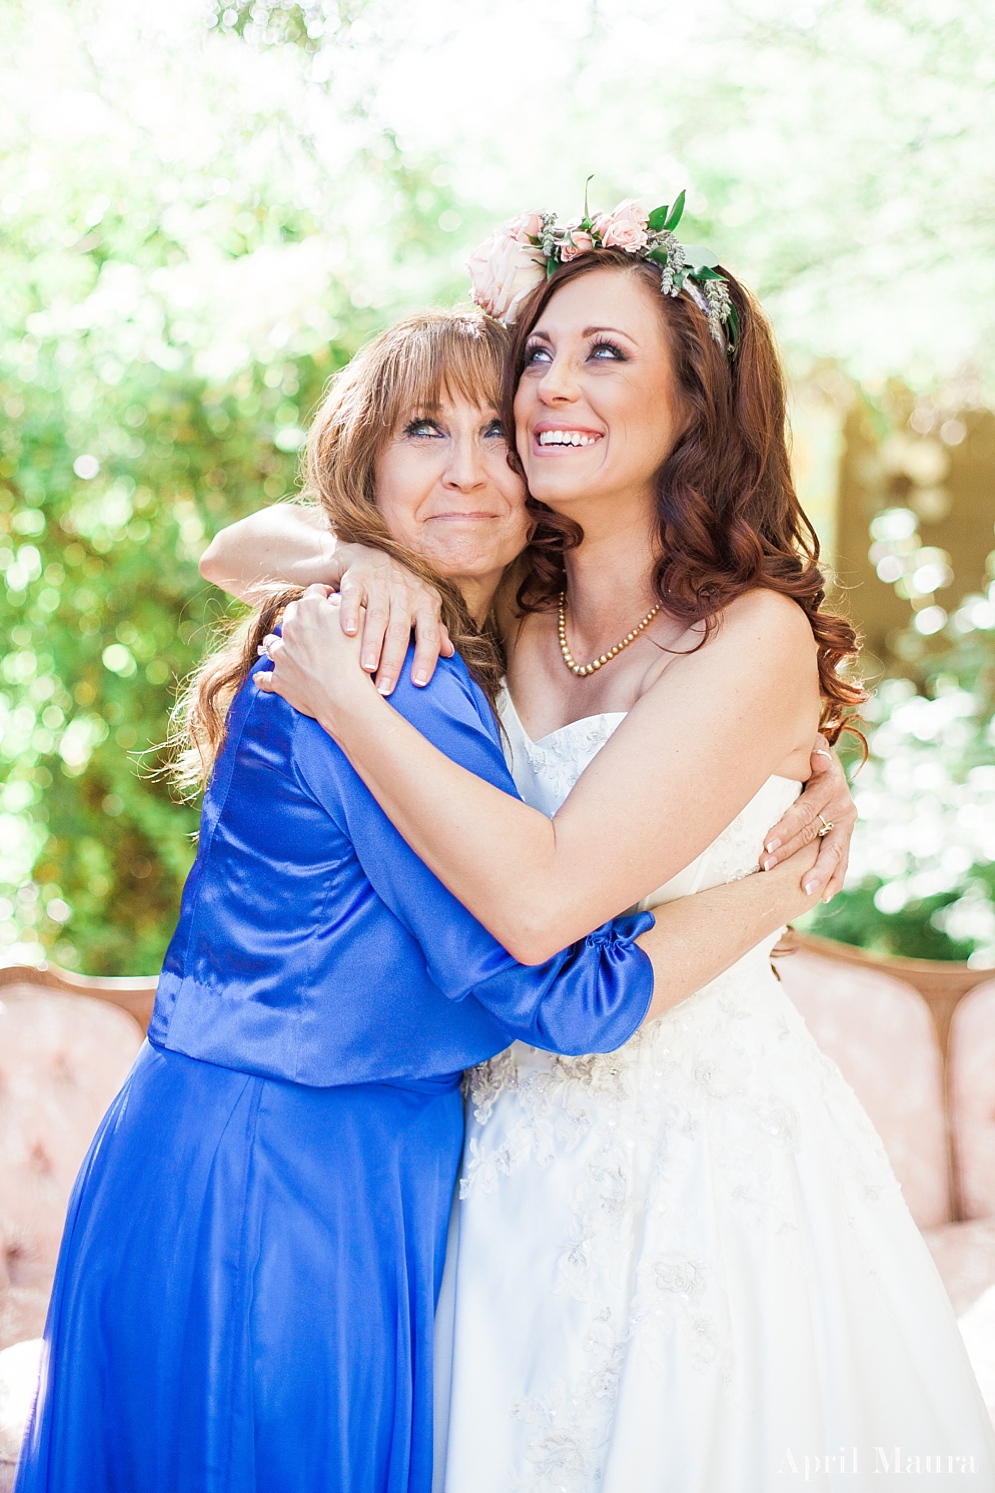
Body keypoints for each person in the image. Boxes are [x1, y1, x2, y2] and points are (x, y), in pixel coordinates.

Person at [15, 310, 832, 1493]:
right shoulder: (381, 664)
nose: (464, 466)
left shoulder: (473, 634)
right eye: (420, 429)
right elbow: (563, 987)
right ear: (363, 468)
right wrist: (783, 884)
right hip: (288, 1182)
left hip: (252, 1149)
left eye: (497, 429)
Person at [245, 202, 995, 1489]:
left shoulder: (744, 637)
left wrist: (353, 689)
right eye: (535, 354)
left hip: (695, 1166)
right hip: (489, 1150)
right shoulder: (508, 604)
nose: (548, 388)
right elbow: (238, 542)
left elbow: (542, 906)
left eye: (604, 355)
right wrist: (373, 570)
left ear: (691, 406)